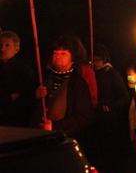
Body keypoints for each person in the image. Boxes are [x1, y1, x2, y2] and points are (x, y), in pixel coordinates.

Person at [34, 36, 95, 143]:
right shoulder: (43, 77)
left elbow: (84, 117)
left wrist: (54, 126)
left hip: (64, 139)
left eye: (63, 54)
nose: (58, 56)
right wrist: (36, 96)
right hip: (39, 137)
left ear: (73, 58)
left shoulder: (78, 83)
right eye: (55, 53)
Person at [92, 44, 130, 173]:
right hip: (95, 118)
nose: (94, 63)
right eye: (92, 60)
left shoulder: (112, 74)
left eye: (97, 60)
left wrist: (110, 106)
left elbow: (124, 97)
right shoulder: (91, 74)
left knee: (110, 151)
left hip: (110, 119)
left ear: (104, 59)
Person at [0, 31, 35, 126]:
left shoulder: (24, 70)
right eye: (0, 45)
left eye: (7, 45)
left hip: (16, 121)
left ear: (16, 49)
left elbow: (25, 97)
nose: (2, 49)